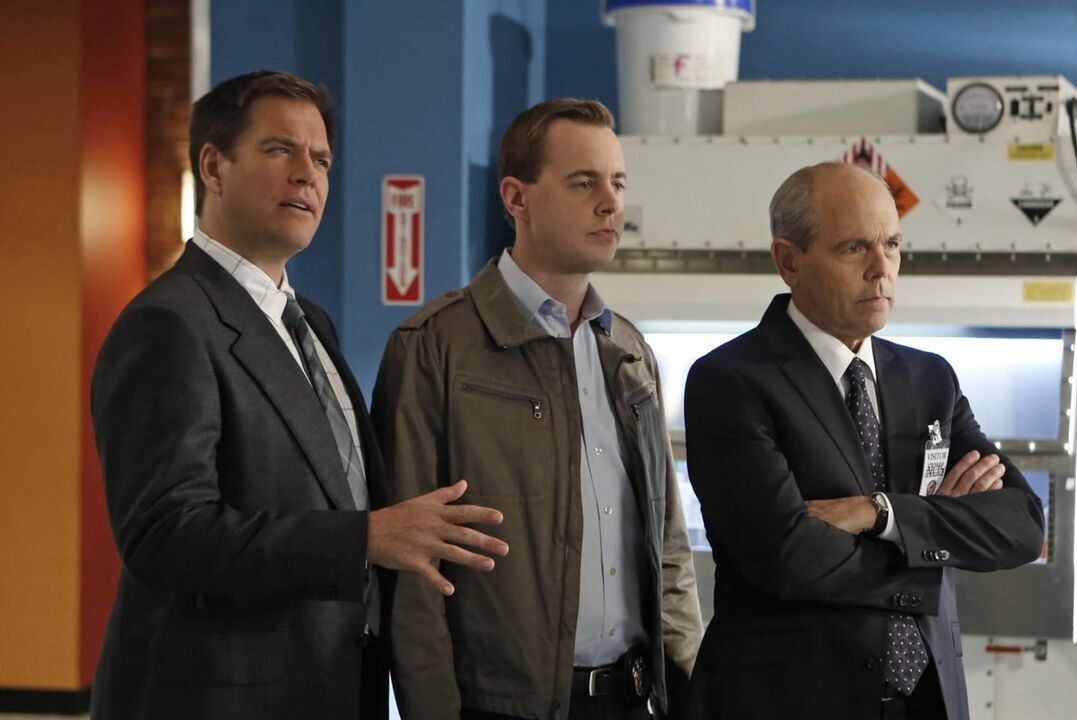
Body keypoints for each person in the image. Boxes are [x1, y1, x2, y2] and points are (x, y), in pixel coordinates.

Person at [90, 70, 508, 720]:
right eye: (280, 149)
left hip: (330, 686)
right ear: (214, 166)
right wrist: (363, 538)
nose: (307, 175)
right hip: (220, 700)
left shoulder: (311, 321)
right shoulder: (169, 323)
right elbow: (166, 536)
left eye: (321, 160)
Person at [372, 98, 702, 720]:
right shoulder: (434, 347)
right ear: (516, 198)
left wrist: (691, 693)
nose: (610, 203)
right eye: (583, 183)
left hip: (631, 700)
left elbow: (668, 548)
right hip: (501, 708)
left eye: (618, 183)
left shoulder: (630, 352)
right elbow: (411, 577)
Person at [682, 162, 1046, 720]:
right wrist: (934, 542)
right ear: (788, 261)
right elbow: (790, 557)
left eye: (892, 245)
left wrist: (879, 513)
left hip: (927, 702)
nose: (881, 270)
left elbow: (1022, 525)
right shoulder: (731, 380)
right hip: (792, 703)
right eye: (854, 248)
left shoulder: (930, 379)